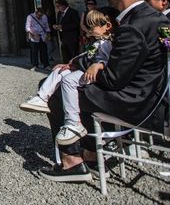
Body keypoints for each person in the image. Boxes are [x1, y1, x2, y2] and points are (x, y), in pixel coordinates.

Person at [40, 0, 170, 182]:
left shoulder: (134, 26)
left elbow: (113, 79)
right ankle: (90, 154)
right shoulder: (152, 17)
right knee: (69, 85)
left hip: (136, 102)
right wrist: (96, 64)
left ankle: (72, 161)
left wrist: (87, 65)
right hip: (149, 94)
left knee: (54, 89)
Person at [20, 9, 114, 144]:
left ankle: (73, 121)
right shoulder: (97, 41)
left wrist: (97, 65)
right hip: (86, 68)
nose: (89, 30)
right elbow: (87, 55)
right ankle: (41, 97)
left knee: (68, 80)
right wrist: (73, 62)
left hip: (94, 73)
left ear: (107, 26)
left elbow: (110, 61)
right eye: (88, 27)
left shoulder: (108, 43)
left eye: (92, 26)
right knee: (59, 70)